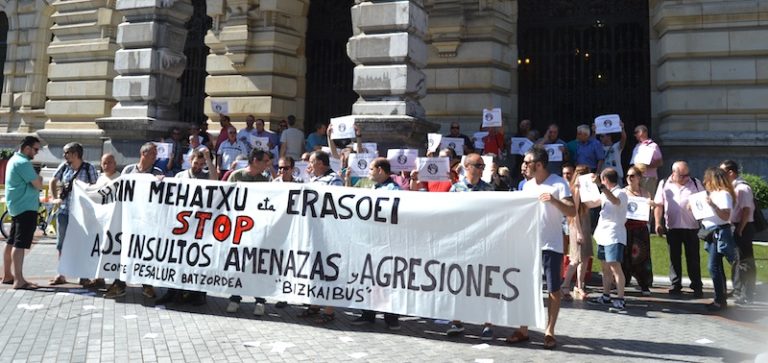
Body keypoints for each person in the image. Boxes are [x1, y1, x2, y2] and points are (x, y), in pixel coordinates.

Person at [507, 146, 575, 349]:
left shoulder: (558, 183)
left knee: (553, 289)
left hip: (551, 245)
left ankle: (549, 331)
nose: (523, 166)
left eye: (527, 162)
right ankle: (523, 329)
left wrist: (554, 200)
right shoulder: (526, 186)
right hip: (529, 245)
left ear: (538, 165)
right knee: (527, 288)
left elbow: (572, 211)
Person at [155, 149, 218, 306]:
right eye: (196, 163)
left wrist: (209, 161)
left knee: (197, 259)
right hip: (181, 224)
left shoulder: (205, 175)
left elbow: (216, 180)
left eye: (201, 164)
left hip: (199, 226)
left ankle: (197, 294)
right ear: (190, 160)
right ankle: (172, 292)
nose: (198, 166)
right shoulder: (180, 176)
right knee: (176, 258)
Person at [444, 154, 495, 339]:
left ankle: (488, 323)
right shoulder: (455, 189)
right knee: (458, 281)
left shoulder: (489, 189)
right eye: (478, 165)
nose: (481, 169)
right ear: (467, 166)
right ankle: (456, 321)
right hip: (462, 242)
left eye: (483, 166)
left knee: (484, 282)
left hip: (482, 242)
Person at [104, 143, 164, 299]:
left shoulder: (157, 172)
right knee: (124, 252)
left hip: (146, 222)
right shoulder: (128, 170)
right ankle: (119, 284)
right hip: (129, 220)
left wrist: (161, 182)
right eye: (152, 154)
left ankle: (147, 284)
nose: (155, 157)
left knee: (144, 252)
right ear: (143, 154)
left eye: (155, 154)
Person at [350, 158, 402, 330]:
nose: (369, 172)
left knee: (387, 279)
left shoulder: (393, 190)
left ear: (380, 170)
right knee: (370, 278)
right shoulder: (373, 187)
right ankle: (368, 313)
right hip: (371, 240)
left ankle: (391, 317)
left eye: (371, 169)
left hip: (387, 241)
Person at [225, 149, 272, 315]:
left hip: (258, 230)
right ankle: (235, 298)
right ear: (255, 161)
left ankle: (260, 300)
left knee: (258, 265)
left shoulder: (265, 180)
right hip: (239, 229)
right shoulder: (236, 176)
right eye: (265, 161)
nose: (268, 164)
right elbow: (226, 199)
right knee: (238, 264)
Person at [300, 150, 342, 323]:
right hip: (314, 230)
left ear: (321, 163)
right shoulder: (314, 179)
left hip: (328, 232)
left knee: (328, 269)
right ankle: (315, 305)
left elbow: (336, 203)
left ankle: (329, 310)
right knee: (314, 267)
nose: (309, 165)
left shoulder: (335, 180)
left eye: (311, 161)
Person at [49, 142, 99, 286]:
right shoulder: (64, 167)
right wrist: (55, 198)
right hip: (64, 211)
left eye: (66, 153)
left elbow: (96, 189)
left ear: (75, 154)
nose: (64, 155)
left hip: (82, 214)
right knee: (61, 243)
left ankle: (82, 275)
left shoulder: (89, 169)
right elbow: (53, 180)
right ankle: (61, 273)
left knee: (81, 243)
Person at [653, 161, 704, 297]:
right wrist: (658, 223)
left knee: (693, 258)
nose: (686, 177)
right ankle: (675, 284)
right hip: (673, 227)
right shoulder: (664, 184)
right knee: (674, 257)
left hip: (691, 227)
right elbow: (658, 205)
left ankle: (696, 285)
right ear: (674, 173)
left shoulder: (695, 183)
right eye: (683, 175)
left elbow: (703, 201)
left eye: (688, 174)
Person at [2, 136, 43, 290]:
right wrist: (39, 178)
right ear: (27, 148)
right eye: (36, 149)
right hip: (26, 207)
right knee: (20, 244)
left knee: (11, 241)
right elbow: (38, 184)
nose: (36, 153)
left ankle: (8, 275)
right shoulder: (23, 163)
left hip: (17, 207)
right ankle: (19, 280)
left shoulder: (13, 159)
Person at [588, 168, 629, 312]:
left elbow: (615, 200)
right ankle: (606, 295)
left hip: (614, 235)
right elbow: (591, 203)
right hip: (603, 235)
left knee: (615, 267)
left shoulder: (621, 193)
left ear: (605, 180)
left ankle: (620, 299)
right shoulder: (604, 193)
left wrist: (601, 187)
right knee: (605, 267)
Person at [700, 167, 736, 312]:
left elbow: (725, 216)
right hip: (711, 232)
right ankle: (721, 298)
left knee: (713, 266)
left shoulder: (724, 194)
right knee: (717, 267)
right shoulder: (713, 194)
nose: (705, 181)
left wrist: (712, 205)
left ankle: (719, 300)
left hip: (719, 232)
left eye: (707, 178)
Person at [720, 160, 756, 305]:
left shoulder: (742, 188)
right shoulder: (733, 188)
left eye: (723, 172)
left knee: (745, 261)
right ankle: (737, 289)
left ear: (731, 172)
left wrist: (740, 229)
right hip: (736, 225)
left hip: (744, 227)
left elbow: (747, 210)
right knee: (737, 260)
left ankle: (747, 294)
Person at [561, 165, 593, 301]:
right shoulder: (576, 189)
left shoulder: (586, 189)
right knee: (575, 258)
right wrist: (579, 232)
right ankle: (565, 285)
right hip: (577, 225)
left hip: (585, 223)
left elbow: (593, 203)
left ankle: (580, 285)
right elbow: (574, 214)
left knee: (585, 257)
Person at [622, 166, 654, 295]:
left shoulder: (645, 193)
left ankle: (644, 283)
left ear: (639, 178)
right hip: (627, 227)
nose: (629, 178)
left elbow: (648, 213)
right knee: (625, 255)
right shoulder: (623, 192)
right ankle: (623, 281)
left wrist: (651, 207)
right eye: (628, 176)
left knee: (642, 256)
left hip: (640, 229)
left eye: (632, 176)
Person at [630, 125, 663, 197]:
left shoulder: (653, 146)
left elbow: (660, 162)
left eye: (637, 132)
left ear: (644, 132)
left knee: (648, 197)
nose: (635, 135)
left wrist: (646, 166)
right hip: (637, 177)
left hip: (649, 177)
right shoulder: (637, 146)